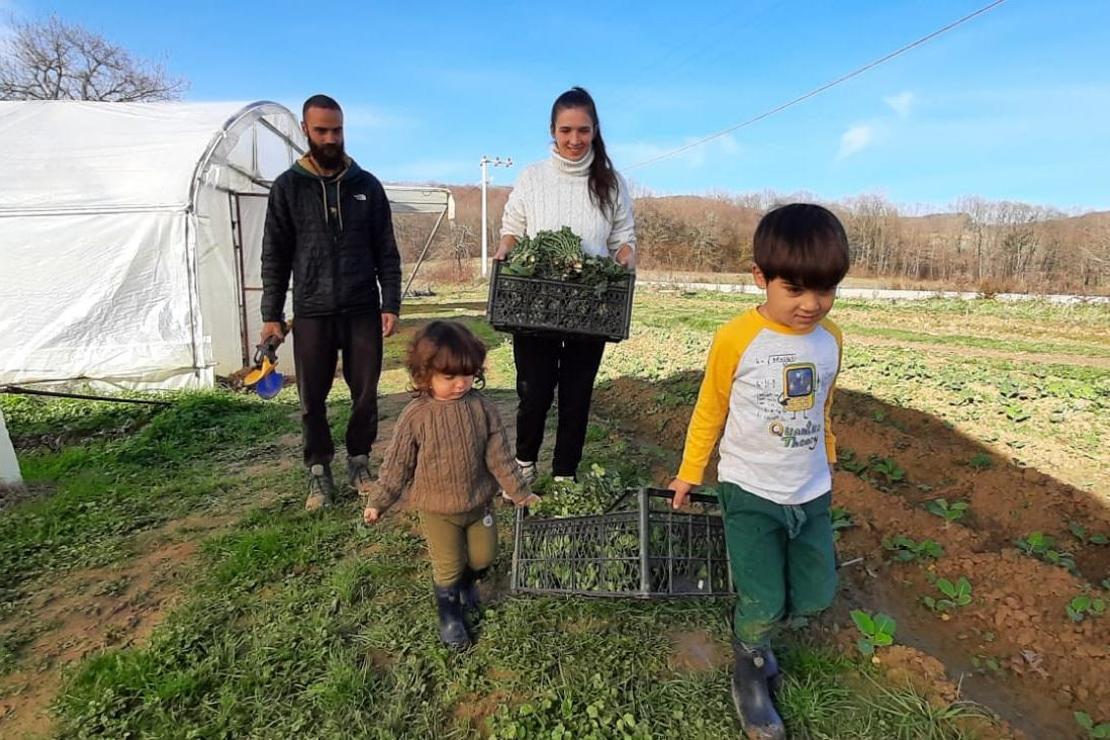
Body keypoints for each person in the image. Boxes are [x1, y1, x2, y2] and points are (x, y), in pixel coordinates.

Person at [667, 203, 850, 739]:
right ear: (760, 278)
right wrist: (690, 470)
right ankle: (748, 664)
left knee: (815, 593)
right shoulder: (736, 338)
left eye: (826, 290)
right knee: (763, 597)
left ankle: (762, 635)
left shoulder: (831, 339)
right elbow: (711, 407)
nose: (812, 305)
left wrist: (829, 451)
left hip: (811, 488)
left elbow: (824, 406)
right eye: (795, 290)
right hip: (749, 488)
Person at [260, 94, 402, 511]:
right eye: (321, 130)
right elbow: (275, 255)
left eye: (336, 130)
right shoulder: (288, 188)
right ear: (305, 130)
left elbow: (386, 251)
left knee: (365, 393)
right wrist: (271, 315)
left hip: (361, 308)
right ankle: (318, 470)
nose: (330, 138)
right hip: (312, 311)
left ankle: (359, 460)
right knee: (311, 398)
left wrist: (389, 302)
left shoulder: (366, 186)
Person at [363, 321, 538, 650]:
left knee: (484, 557)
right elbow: (397, 465)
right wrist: (378, 501)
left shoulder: (481, 408)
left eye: (468, 374)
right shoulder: (416, 416)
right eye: (449, 377)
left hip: (478, 504)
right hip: (438, 511)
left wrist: (520, 493)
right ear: (424, 374)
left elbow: (500, 455)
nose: (461, 384)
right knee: (448, 565)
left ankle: (468, 584)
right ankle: (450, 616)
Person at [495, 86, 636, 483]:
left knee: (577, 394)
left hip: (590, 302)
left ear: (595, 131)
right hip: (537, 301)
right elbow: (514, 229)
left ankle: (564, 472)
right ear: (553, 131)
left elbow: (623, 236)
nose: (575, 140)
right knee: (534, 389)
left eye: (583, 130)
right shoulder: (533, 177)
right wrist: (505, 249)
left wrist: (626, 256)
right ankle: (525, 461)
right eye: (566, 130)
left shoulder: (610, 181)